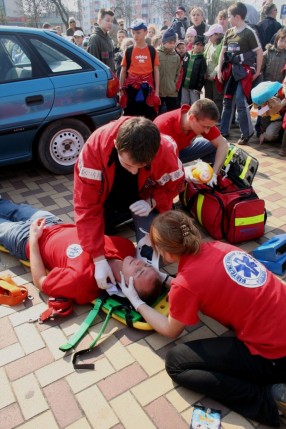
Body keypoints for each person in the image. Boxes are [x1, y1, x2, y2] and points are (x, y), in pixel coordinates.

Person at [120, 209, 286, 427]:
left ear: (168, 255)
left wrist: (137, 302)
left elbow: (171, 329)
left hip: (275, 354)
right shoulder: (219, 246)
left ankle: (269, 403)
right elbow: (204, 284)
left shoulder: (186, 284)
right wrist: (166, 279)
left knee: (177, 363)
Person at [73, 116, 185, 290]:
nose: (133, 172)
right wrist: (98, 258)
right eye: (128, 164)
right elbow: (86, 206)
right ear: (116, 144)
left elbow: (176, 185)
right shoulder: (94, 150)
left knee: (153, 256)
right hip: (107, 201)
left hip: (145, 201)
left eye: (141, 166)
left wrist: (152, 201)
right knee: (91, 240)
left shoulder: (164, 149)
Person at [0, 199, 162, 305]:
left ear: (128, 286)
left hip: (24, 239)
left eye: (139, 272)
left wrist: (34, 239)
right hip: (51, 221)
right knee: (12, 208)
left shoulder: (83, 282)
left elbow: (40, 281)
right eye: (147, 267)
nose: (141, 264)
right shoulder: (125, 247)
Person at [217, 2, 263, 145]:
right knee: (227, 100)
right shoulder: (229, 33)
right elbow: (223, 53)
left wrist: (258, 71)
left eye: (230, 16)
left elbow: (259, 53)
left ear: (237, 17)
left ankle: (247, 132)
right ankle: (224, 131)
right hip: (231, 72)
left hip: (244, 72)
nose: (228, 19)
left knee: (240, 101)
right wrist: (219, 69)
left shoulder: (250, 32)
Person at [153, 98, 228, 183]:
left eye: (209, 127)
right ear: (192, 118)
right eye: (205, 127)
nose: (207, 131)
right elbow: (156, 163)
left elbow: (223, 144)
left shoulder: (201, 119)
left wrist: (214, 173)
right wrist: (184, 173)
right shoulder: (162, 126)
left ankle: (206, 177)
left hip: (180, 152)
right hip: (162, 158)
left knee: (216, 146)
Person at [119, 19, 160, 120]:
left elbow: (156, 71)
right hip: (131, 88)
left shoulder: (152, 50)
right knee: (131, 116)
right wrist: (120, 89)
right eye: (133, 33)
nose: (135, 35)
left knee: (148, 116)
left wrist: (157, 91)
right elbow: (123, 71)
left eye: (138, 33)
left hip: (147, 89)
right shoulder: (129, 51)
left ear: (145, 32)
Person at [157, 28, 181, 114]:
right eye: (170, 42)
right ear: (164, 42)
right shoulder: (156, 54)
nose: (172, 45)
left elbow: (179, 73)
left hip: (171, 91)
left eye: (174, 43)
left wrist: (175, 87)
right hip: (158, 91)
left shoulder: (176, 57)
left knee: (172, 113)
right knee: (157, 114)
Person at [203, 24, 225, 116]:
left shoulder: (222, 46)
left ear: (218, 35)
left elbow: (221, 62)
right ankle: (207, 116)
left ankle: (216, 118)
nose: (209, 37)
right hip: (207, 77)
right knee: (208, 98)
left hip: (216, 77)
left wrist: (213, 74)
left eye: (211, 35)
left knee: (217, 98)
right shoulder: (208, 45)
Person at [181, 35, 207, 106]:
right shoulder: (187, 55)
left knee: (194, 104)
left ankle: (194, 117)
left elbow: (202, 75)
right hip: (184, 85)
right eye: (197, 44)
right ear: (193, 45)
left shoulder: (202, 59)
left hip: (194, 87)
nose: (199, 47)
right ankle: (184, 116)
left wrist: (199, 88)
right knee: (184, 103)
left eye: (201, 45)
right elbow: (182, 68)